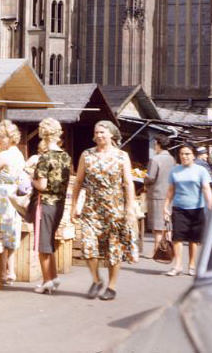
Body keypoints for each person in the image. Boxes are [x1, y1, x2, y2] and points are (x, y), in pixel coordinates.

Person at [70, 120, 138, 301]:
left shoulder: (122, 156)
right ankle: (96, 279)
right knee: (87, 244)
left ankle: (112, 286)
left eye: (103, 132)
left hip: (115, 207)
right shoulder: (87, 155)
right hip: (91, 206)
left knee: (114, 248)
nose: (99, 135)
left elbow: (128, 183)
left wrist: (129, 208)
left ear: (111, 134)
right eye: (97, 132)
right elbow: (78, 181)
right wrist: (74, 206)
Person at [31, 118, 71, 295]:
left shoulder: (45, 157)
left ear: (42, 134)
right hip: (59, 204)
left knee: (43, 244)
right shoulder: (65, 156)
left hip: (45, 203)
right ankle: (53, 277)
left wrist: (29, 178)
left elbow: (42, 185)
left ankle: (47, 280)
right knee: (50, 241)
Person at [0, 119, 26, 285]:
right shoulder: (19, 154)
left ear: (10, 137)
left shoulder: (3, 155)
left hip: (0, 196)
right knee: (11, 232)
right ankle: (11, 271)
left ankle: (2, 272)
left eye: (1, 136)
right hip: (13, 194)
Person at [163, 144, 212, 277]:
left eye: (187, 154)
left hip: (196, 208)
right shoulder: (175, 171)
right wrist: (165, 206)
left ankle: (192, 265)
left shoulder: (201, 170)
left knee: (193, 239)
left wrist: (211, 205)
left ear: (193, 156)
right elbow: (170, 191)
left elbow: (206, 189)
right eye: (182, 154)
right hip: (179, 208)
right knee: (177, 237)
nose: (184, 156)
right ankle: (178, 265)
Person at [144, 136, 176, 256]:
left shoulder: (155, 160)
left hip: (157, 194)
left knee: (157, 226)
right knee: (167, 223)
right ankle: (169, 248)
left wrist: (144, 179)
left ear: (158, 144)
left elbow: (151, 177)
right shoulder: (172, 159)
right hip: (170, 194)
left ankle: (157, 251)